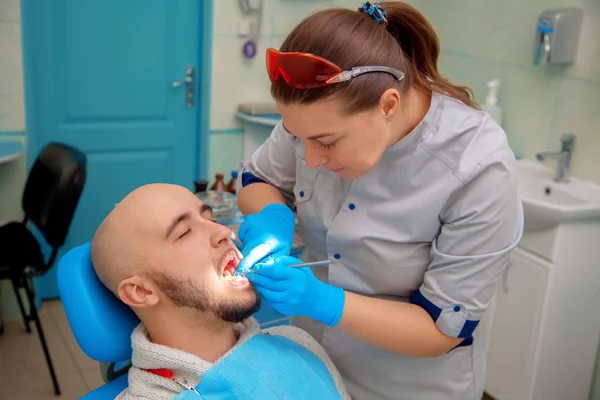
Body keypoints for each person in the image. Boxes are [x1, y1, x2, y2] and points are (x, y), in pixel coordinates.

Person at [235, 1, 524, 399]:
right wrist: (272, 218)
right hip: (313, 366)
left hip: (410, 385)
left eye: (326, 142)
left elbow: (440, 330)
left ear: (388, 105)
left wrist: (321, 299)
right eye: (297, 137)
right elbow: (259, 178)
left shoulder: (478, 168)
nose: (311, 157)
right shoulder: (314, 118)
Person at [90, 183, 350, 400]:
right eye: (184, 233)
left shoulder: (297, 344)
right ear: (140, 291)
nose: (224, 232)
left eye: (209, 219)